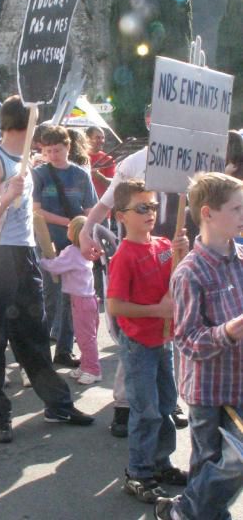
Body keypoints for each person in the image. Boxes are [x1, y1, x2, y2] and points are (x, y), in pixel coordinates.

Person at [0, 95, 94, 444]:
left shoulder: (29, 160)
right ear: (25, 126)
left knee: (37, 333)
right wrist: (6, 197)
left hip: (25, 254)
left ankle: (57, 403)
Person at [155, 172, 243, 520]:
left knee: (229, 463)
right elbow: (188, 341)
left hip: (239, 383)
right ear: (207, 213)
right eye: (236, 209)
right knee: (213, 462)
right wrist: (230, 332)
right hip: (209, 392)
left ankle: (189, 511)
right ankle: (196, 512)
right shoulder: (190, 272)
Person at [107, 179, 189, 504]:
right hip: (139, 343)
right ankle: (138, 473)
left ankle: (161, 463)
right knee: (146, 411)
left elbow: (176, 272)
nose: (150, 212)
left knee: (168, 406)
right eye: (141, 208)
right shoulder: (124, 255)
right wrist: (156, 309)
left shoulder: (163, 243)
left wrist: (181, 251)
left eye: (153, 206)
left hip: (163, 339)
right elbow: (114, 306)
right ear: (121, 216)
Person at [33, 125, 97, 367]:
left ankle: (64, 349)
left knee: (73, 296)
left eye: (57, 150)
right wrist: (70, 222)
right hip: (48, 242)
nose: (52, 156)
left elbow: (91, 210)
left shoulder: (81, 175)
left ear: (68, 147)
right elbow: (37, 210)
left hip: (74, 243)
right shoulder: (39, 174)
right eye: (48, 151)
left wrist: (86, 234)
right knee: (49, 295)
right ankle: (42, 348)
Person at [39, 215, 101, 385]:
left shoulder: (72, 252)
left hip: (80, 300)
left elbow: (56, 267)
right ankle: (86, 364)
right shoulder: (85, 250)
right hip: (89, 299)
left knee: (85, 337)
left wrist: (41, 261)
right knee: (86, 336)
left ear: (73, 232)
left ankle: (93, 369)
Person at [86, 126, 116, 199]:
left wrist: (98, 176)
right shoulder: (80, 157)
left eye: (103, 138)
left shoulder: (108, 159)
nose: (101, 140)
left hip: (101, 203)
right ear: (87, 139)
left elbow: (113, 184)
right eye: (98, 137)